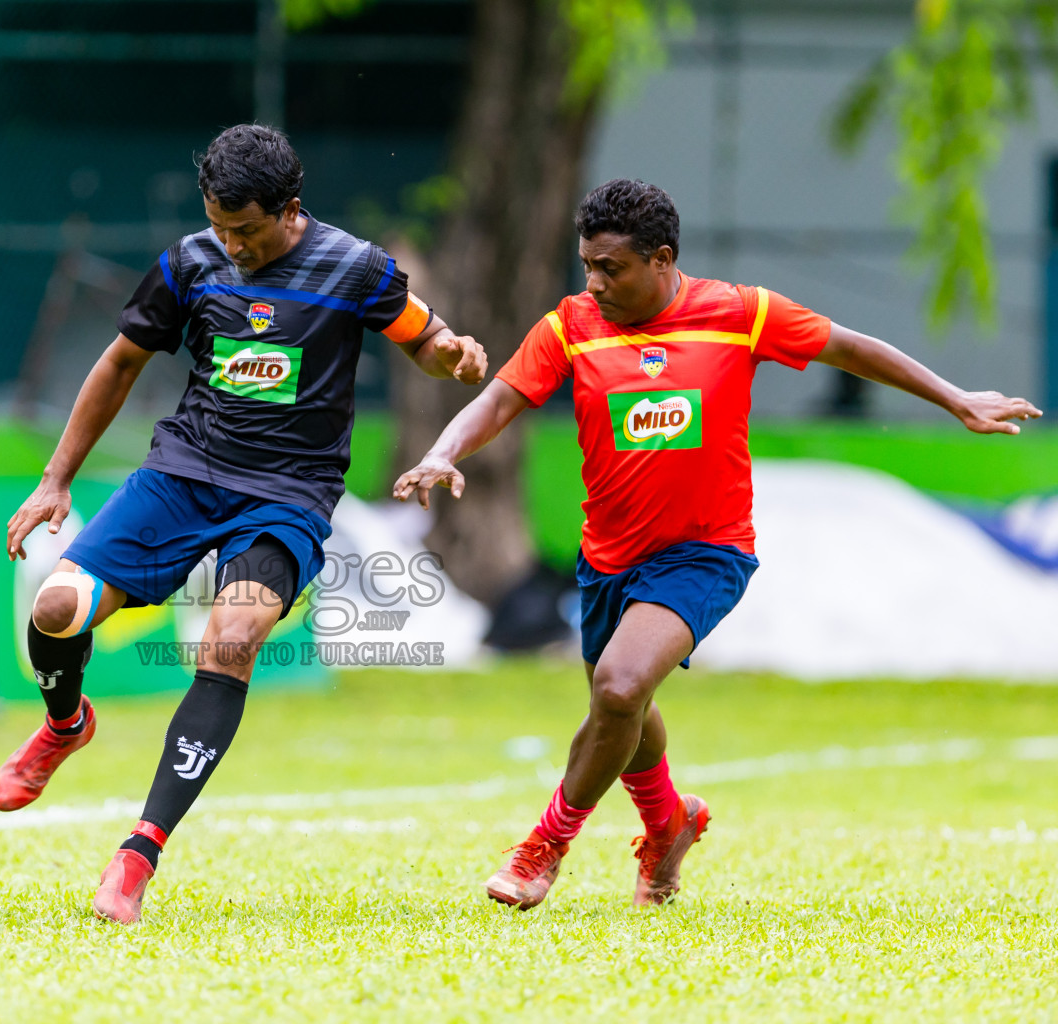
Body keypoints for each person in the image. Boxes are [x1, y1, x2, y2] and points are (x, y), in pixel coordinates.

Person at [393, 179, 1041, 910]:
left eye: (612, 268)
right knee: (624, 714)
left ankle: (545, 847)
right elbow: (502, 398)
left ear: (662, 258)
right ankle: (669, 823)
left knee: (619, 687)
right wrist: (447, 450)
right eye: (587, 266)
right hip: (608, 557)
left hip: (707, 553)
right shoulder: (572, 324)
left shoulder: (739, 313)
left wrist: (956, 399)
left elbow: (851, 348)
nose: (594, 283)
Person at [0, 123, 488, 924]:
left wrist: (454, 353)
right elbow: (120, 362)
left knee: (229, 638)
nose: (233, 245)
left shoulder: (354, 266)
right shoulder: (190, 261)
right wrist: (56, 480)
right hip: (184, 474)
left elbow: (424, 339)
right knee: (55, 610)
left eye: (247, 231)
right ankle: (65, 723)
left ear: (290, 210)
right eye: (221, 227)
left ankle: (137, 854)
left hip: (288, 493)